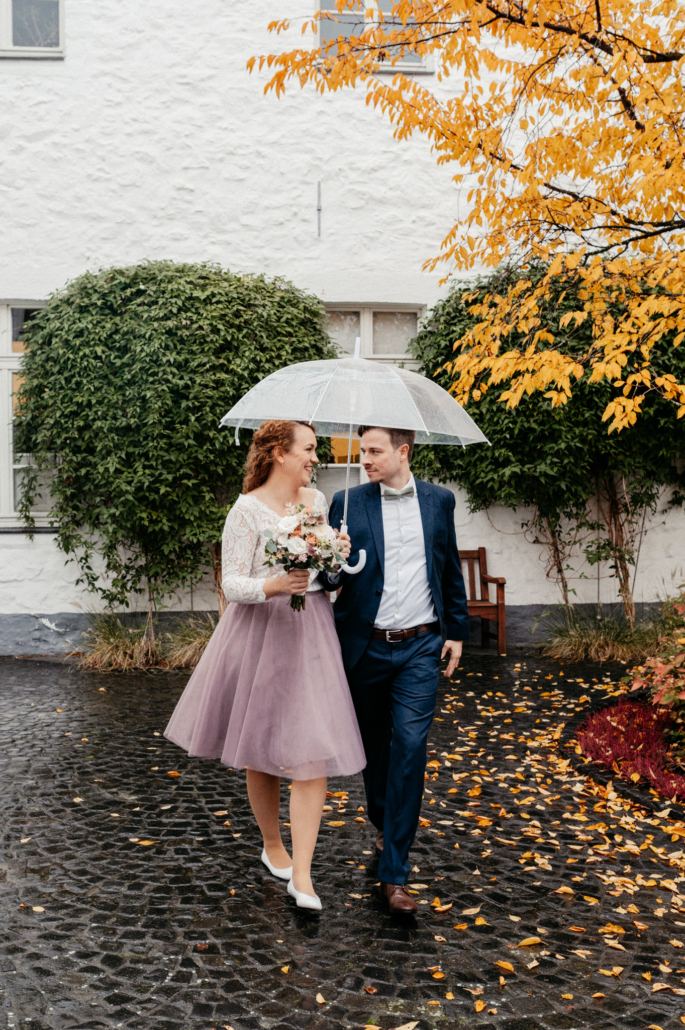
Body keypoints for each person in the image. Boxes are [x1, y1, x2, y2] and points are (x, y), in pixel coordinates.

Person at [164, 420, 365, 912]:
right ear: (279, 452)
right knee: (262, 747)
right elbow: (232, 583)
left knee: (310, 751)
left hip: (312, 630)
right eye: (310, 449)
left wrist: (330, 569)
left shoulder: (317, 502)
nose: (316, 458)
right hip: (261, 632)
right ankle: (273, 845)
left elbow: (324, 572)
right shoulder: (246, 509)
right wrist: (277, 585)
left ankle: (303, 874)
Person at [319, 426, 469, 914]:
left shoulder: (439, 501)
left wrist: (457, 631)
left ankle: (396, 875)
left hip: (420, 648)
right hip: (364, 647)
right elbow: (329, 580)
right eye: (362, 451)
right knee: (374, 751)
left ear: (403, 452)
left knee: (409, 747)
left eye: (374, 451)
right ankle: (384, 823)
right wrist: (332, 558)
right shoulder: (345, 501)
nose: (364, 458)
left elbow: (448, 569)